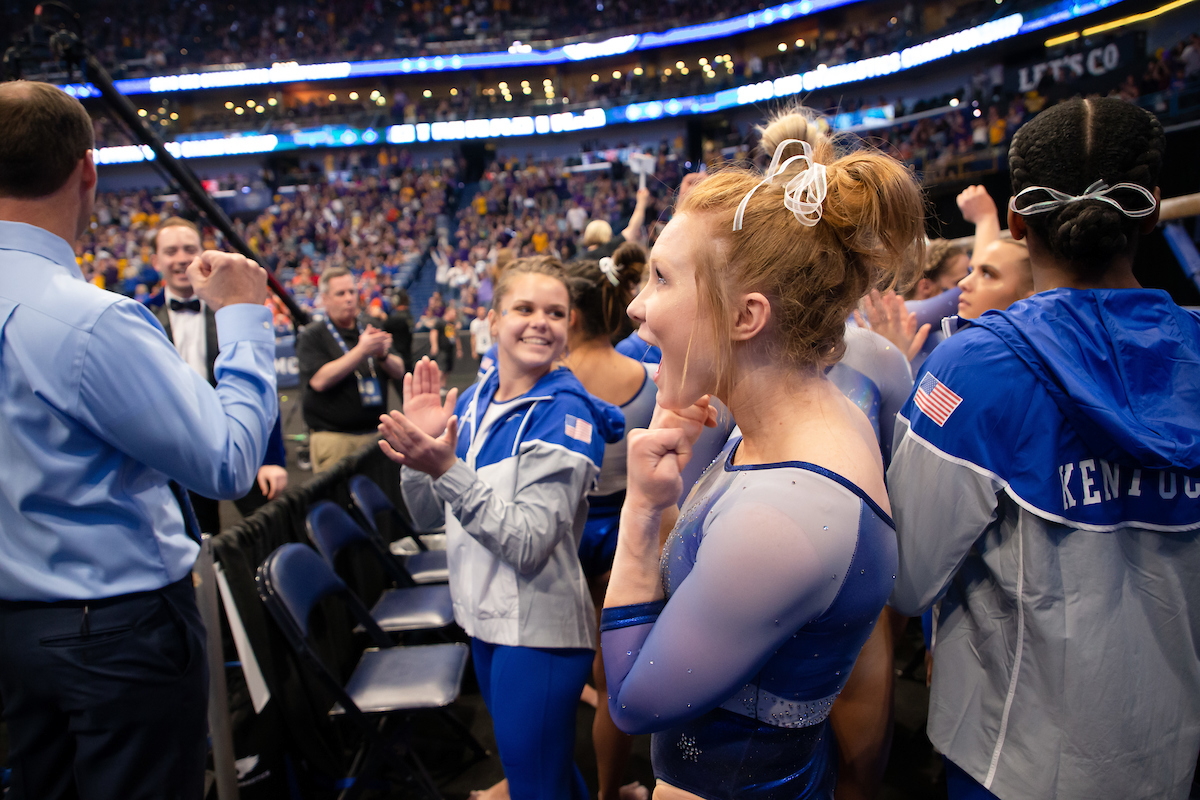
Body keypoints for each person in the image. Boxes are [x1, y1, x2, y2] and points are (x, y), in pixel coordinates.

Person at [599, 109, 925, 798]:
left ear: (747, 317)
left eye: (660, 279)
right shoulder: (789, 423)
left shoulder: (784, 516)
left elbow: (631, 698)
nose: (636, 308)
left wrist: (638, 516)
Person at [888, 97, 1200, 799]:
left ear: (1020, 222)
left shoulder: (974, 369)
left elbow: (907, 578)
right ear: (1151, 209)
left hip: (1014, 761)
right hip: (1172, 753)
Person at [0, 80, 276, 800]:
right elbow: (226, 462)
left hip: (18, 633)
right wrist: (245, 320)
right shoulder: (90, 321)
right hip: (117, 637)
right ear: (87, 170)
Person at [381, 257, 625, 800]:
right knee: (546, 777)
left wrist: (443, 466)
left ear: (569, 326)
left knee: (536, 787)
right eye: (525, 308)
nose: (541, 321)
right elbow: (425, 517)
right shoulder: (473, 400)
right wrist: (416, 458)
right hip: (487, 621)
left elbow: (529, 543)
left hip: (536, 634)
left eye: (555, 312)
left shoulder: (565, 413)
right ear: (492, 321)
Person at [562, 254, 660, 800]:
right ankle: (608, 789)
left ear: (571, 317)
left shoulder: (550, 383)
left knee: (552, 664)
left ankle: (540, 782)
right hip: (629, 531)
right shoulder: (648, 375)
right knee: (610, 676)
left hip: (565, 530)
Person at [149, 216, 289, 532]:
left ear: (202, 254)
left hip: (240, 434)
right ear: (156, 260)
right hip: (178, 453)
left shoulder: (232, 310)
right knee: (199, 542)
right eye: (171, 251)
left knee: (268, 532)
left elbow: (261, 383)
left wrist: (272, 458)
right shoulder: (139, 316)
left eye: (189, 249)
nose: (181, 258)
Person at [296, 267, 406, 473]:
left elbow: (399, 370)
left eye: (352, 292)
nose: (349, 298)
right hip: (334, 439)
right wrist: (362, 351)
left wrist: (383, 355)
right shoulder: (312, 335)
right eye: (341, 293)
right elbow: (319, 380)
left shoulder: (370, 326)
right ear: (325, 299)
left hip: (375, 434)